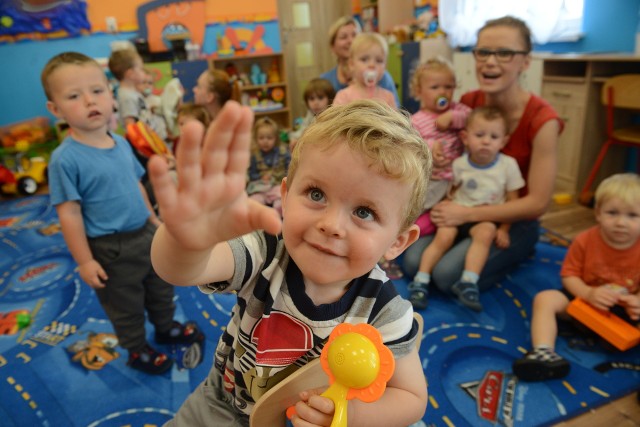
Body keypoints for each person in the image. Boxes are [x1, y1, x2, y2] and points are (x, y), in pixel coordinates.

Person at [148, 99, 431, 426]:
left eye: (364, 212)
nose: (331, 225)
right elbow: (180, 270)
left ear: (397, 241)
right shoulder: (265, 252)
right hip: (223, 402)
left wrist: (344, 414)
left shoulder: (384, 310)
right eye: (315, 194)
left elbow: (412, 398)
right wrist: (185, 242)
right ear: (284, 196)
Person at [43, 52, 200, 375]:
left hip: (144, 232)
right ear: (55, 109)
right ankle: (136, 348)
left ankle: (166, 327)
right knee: (124, 304)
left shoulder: (120, 143)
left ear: (110, 94)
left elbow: (136, 185)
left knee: (161, 286)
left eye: (97, 91)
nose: (90, 101)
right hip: (109, 247)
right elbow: (69, 214)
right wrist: (85, 261)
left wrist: (152, 219)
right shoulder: (64, 159)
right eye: (74, 96)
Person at [402, 16, 563, 296]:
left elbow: (537, 203)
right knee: (412, 261)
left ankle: (518, 252)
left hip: (507, 221)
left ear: (525, 62)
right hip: (464, 206)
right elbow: (442, 144)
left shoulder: (543, 120)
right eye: (483, 51)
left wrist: (466, 213)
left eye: (504, 53)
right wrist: (435, 155)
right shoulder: (467, 105)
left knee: (444, 277)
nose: (490, 61)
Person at [513, 173, 640, 381]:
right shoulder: (585, 240)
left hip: (623, 312)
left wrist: (637, 301)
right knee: (545, 299)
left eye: (632, 215)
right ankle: (543, 352)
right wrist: (588, 293)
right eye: (612, 213)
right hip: (583, 302)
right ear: (598, 213)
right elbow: (569, 276)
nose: (620, 222)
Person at [408, 107, 524, 311]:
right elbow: (451, 190)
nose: (486, 141)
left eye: (494, 136)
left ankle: (468, 281)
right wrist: (443, 205)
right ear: (465, 137)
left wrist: (504, 229)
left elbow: (513, 201)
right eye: (480, 135)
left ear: (503, 141)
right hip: (456, 213)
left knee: (486, 232)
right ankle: (421, 280)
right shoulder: (459, 164)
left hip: (484, 217)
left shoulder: (508, 165)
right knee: (443, 237)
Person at [409, 56, 472, 238]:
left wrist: (452, 117)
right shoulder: (417, 120)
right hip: (433, 177)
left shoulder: (457, 109)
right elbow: (412, 145)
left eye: (448, 87)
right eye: (435, 87)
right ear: (419, 92)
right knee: (418, 203)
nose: (442, 92)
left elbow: (472, 118)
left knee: (443, 209)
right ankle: (413, 225)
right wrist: (429, 147)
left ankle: (425, 226)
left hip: (456, 178)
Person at [321, 15, 400, 106]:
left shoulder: (386, 91)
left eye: (355, 35)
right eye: (343, 37)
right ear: (332, 46)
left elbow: (396, 117)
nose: (351, 40)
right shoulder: (333, 87)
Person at [332, 32, 397, 108]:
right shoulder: (344, 96)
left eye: (379, 61)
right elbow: (336, 119)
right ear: (351, 64)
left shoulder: (388, 97)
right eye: (364, 59)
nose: (372, 65)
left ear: (385, 67)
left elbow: (394, 120)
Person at [247, 117, 290, 214]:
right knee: (254, 202)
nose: (265, 141)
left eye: (269, 138)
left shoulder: (282, 152)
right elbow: (251, 174)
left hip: (276, 186)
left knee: (281, 201)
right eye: (261, 138)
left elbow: (290, 168)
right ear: (256, 138)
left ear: (276, 138)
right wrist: (260, 177)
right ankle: (259, 219)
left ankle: (277, 216)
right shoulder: (255, 154)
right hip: (260, 187)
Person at [108, 48, 151, 129]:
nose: (144, 72)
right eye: (141, 69)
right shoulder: (127, 97)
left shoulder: (131, 93)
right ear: (130, 74)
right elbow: (130, 125)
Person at [289, 77, 335, 150]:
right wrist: (294, 138)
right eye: (311, 98)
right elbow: (304, 128)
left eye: (320, 97)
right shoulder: (310, 113)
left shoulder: (333, 114)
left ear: (330, 98)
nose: (315, 103)